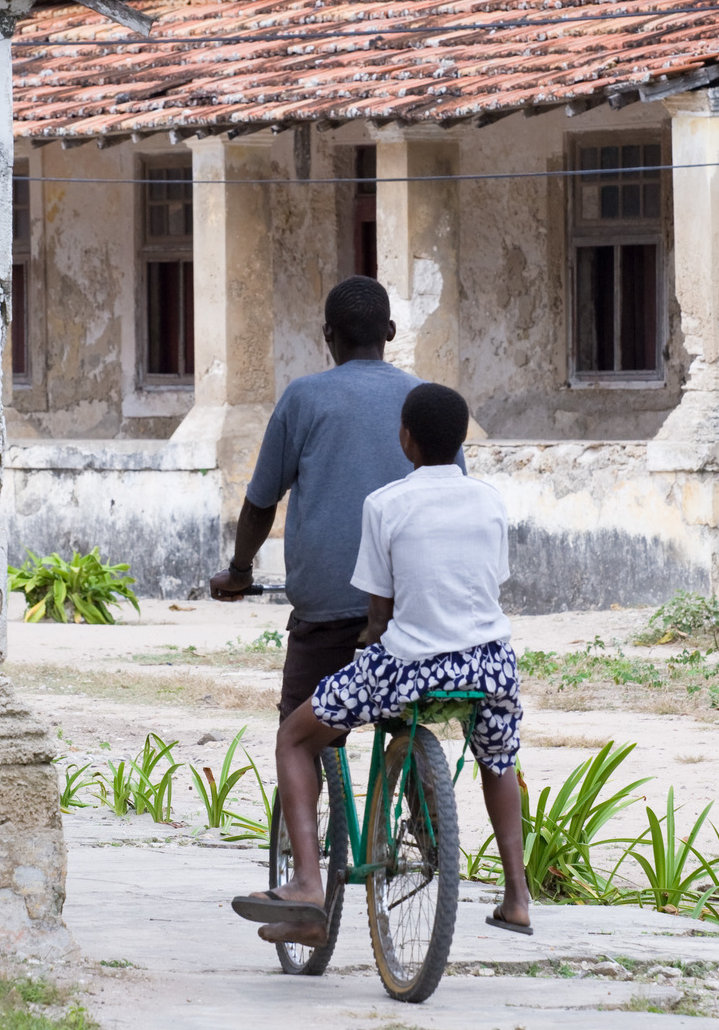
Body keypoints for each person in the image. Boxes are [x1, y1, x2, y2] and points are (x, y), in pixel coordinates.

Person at [233, 382, 531, 942]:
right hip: (491, 665)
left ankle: (306, 888)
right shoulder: (491, 501)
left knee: (295, 738)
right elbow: (490, 584)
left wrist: (371, 645)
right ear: (462, 440)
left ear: (406, 440)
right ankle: (516, 896)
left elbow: (379, 611)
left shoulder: (386, 503)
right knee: (500, 759)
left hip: (410, 664)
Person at [208, 276, 437, 728]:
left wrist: (239, 572)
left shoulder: (304, 397)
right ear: (390, 331)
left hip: (328, 608)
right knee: (403, 723)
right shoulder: (425, 400)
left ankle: (305, 778)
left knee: (299, 736)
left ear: (327, 333)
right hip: (409, 604)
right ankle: (414, 773)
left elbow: (260, 503)